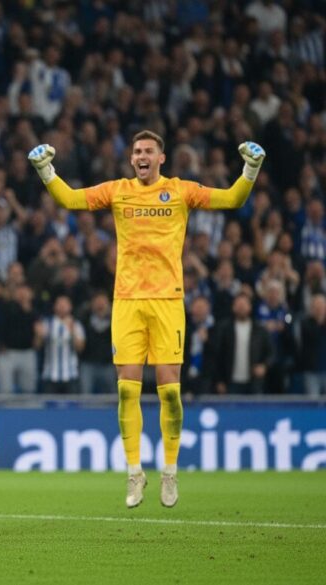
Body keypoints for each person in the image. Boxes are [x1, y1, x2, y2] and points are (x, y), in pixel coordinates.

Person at [28, 132, 266, 508]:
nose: (140, 156)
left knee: (169, 391)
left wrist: (251, 168)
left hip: (167, 301)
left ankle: (169, 472)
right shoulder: (118, 190)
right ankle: (135, 472)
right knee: (127, 389)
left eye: (147, 151)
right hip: (126, 301)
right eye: (136, 151)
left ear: (161, 158)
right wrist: (45, 169)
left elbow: (233, 198)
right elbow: (70, 199)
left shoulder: (182, 191)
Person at [36, 295, 85, 394]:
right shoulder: (46, 323)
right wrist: (39, 336)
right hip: (50, 375)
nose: (62, 306)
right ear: (54, 307)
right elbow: (37, 346)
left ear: (70, 307)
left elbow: (80, 349)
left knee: (73, 408)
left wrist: (72, 333)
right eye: (59, 304)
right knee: (49, 408)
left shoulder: (76, 324)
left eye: (65, 304)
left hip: (70, 375)